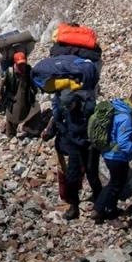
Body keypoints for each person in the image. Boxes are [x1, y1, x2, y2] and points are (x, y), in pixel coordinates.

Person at [94, 89, 132, 223]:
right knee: (116, 184)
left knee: (117, 182)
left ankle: (110, 208)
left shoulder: (117, 107)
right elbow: (124, 145)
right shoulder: (126, 118)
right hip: (117, 156)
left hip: (108, 152)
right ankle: (99, 209)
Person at [42, 89, 99, 220]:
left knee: (92, 174)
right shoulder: (62, 107)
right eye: (65, 106)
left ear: (75, 101)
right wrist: (48, 133)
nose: (67, 108)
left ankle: (99, 202)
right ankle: (74, 207)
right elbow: (56, 122)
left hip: (87, 146)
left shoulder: (87, 108)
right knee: (71, 178)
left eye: (69, 105)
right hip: (71, 147)